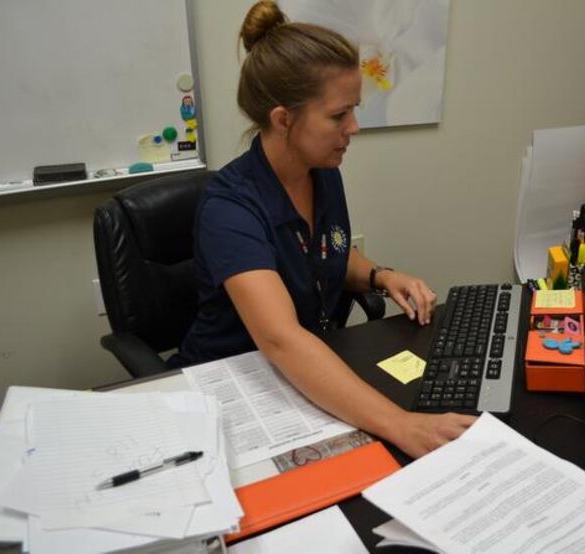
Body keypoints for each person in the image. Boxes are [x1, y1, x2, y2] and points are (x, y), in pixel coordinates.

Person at [173, 0, 475, 459]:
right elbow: (280, 337)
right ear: (283, 118)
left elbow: (321, 251)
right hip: (236, 388)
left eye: (354, 109)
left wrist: (380, 276)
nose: (353, 128)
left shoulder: (323, 171)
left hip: (303, 373)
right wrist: (401, 425)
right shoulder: (229, 207)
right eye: (338, 116)